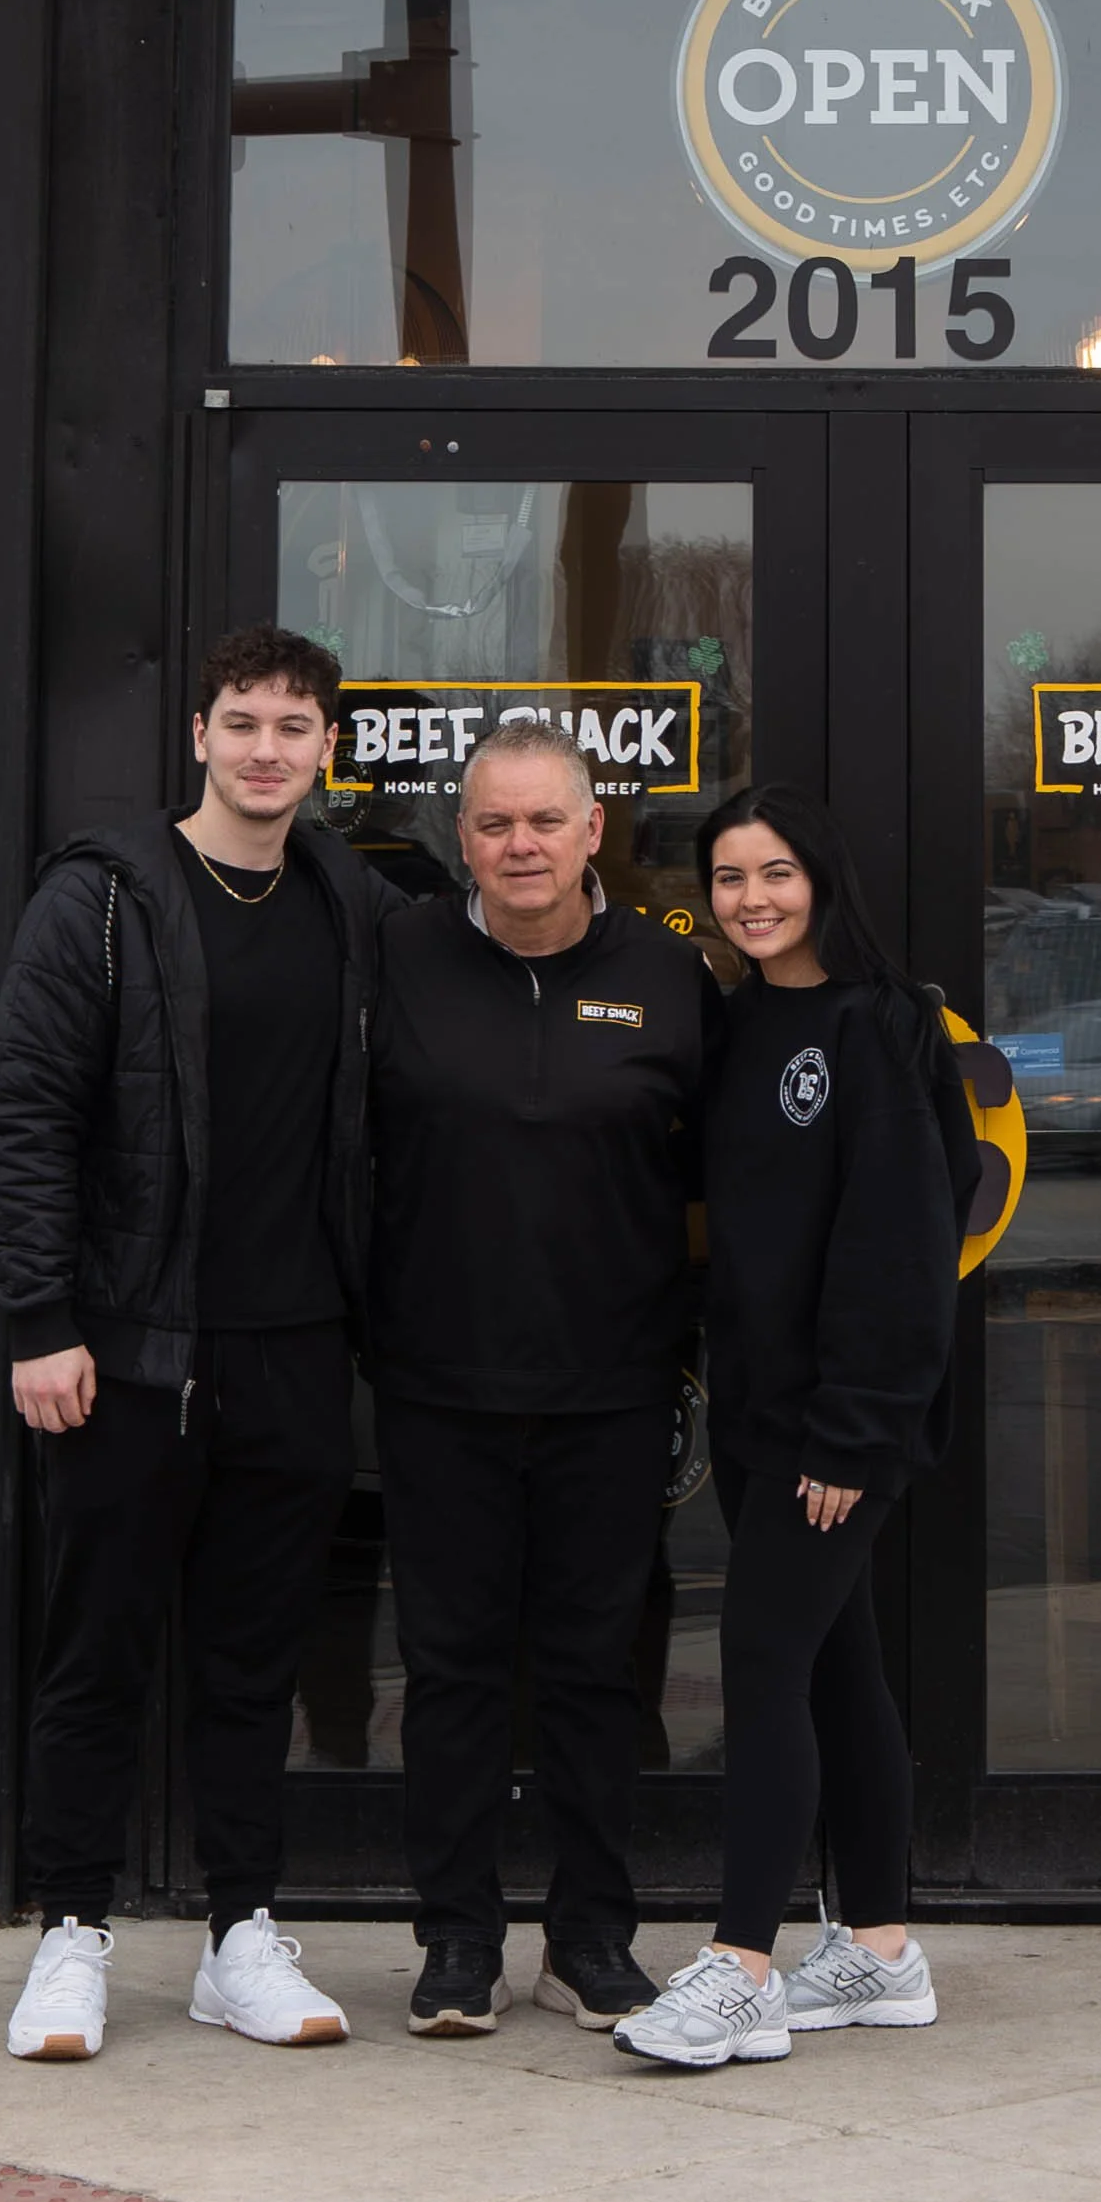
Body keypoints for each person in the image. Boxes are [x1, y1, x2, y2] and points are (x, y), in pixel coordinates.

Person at [0, 625, 400, 2061]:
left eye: (294, 724)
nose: (266, 748)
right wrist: (40, 1319)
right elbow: (24, 1114)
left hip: (293, 1344)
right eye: (242, 721)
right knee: (95, 1651)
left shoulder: (349, 895)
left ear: (327, 746)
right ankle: (71, 1932)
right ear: (201, 736)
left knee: (252, 1660)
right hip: (127, 1349)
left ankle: (239, 1935)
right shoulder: (102, 897)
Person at [613, 783, 977, 2071]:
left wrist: (855, 1430)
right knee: (836, 1666)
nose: (752, 899)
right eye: (726, 878)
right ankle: (878, 1950)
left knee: (762, 1660)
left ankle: (743, 1966)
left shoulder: (884, 1026)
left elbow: (901, 1246)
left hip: (841, 1428)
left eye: (775, 874)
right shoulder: (739, 1020)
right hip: (765, 1416)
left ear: (821, 877)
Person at [367, 717, 721, 2038]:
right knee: (450, 1676)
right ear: (462, 838)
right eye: (492, 821)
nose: (519, 843)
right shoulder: (396, 955)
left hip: (614, 1388)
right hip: (435, 1383)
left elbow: (726, 1174)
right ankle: (455, 1941)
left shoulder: (672, 976)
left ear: (591, 833)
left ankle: (588, 1938)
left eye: (543, 820)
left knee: (591, 1676)